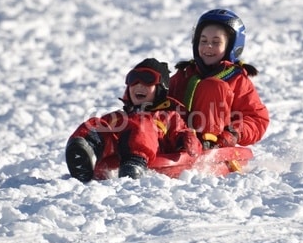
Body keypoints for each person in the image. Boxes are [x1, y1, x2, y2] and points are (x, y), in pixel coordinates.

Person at [65, 58, 202, 182]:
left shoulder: (168, 116)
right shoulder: (120, 117)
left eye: (147, 79)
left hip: (151, 158)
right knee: (97, 123)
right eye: (133, 79)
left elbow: (183, 133)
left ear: (161, 88)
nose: (139, 85)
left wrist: (187, 138)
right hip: (117, 158)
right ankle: (84, 153)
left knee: (141, 121)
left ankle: (135, 161)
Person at [169, 9, 269, 149]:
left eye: (216, 42)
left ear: (230, 47)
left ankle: (207, 144)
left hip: (215, 143)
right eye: (203, 41)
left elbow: (257, 118)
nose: (208, 46)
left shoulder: (237, 79)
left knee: (213, 86)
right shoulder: (185, 75)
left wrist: (234, 133)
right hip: (179, 141)